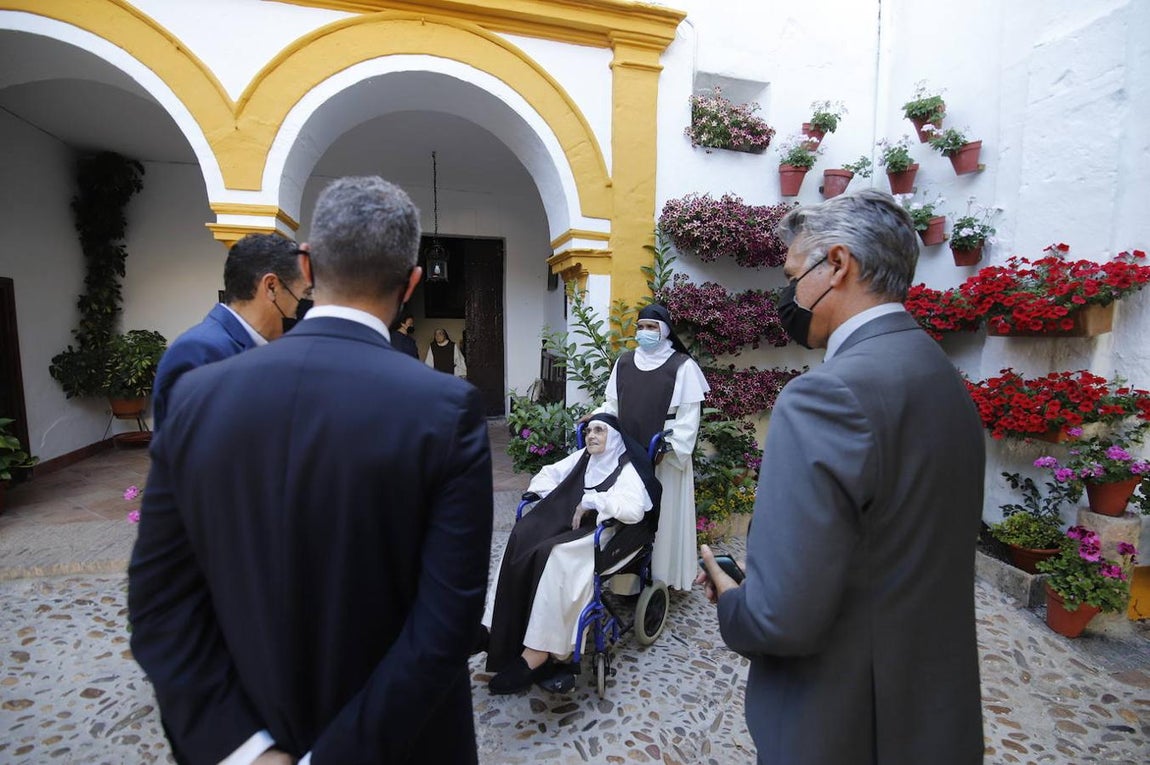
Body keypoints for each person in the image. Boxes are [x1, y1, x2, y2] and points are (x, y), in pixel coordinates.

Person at [128, 176, 493, 765]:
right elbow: (447, 623)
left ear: (307, 263)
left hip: (248, 718)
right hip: (401, 745)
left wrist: (244, 749)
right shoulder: (443, 409)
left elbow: (159, 603)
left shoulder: (198, 395)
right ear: (412, 282)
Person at [698, 189, 985, 764]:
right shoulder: (942, 374)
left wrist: (732, 598)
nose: (789, 294)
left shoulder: (827, 395)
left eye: (792, 273)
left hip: (841, 722)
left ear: (837, 264)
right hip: (930, 714)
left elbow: (779, 619)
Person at [482, 413, 660, 694]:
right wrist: (544, 495)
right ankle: (495, 626)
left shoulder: (626, 469)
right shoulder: (583, 458)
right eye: (589, 431)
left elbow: (634, 509)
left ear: (613, 437)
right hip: (572, 523)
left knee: (555, 556)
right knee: (520, 537)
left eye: (599, 430)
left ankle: (539, 651)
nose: (591, 435)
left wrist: (591, 501)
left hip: (606, 532)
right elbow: (550, 474)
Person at [595, 304, 709, 591]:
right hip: (627, 454)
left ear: (665, 330)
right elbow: (611, 405)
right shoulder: (624, 362)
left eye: (652, 327)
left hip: (663, 458)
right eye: (641, 326)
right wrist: (599, 423)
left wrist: (670, 447)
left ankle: (662, 577)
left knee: (664, 515)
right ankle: (625, 582)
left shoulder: (682, 366)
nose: (645, 332)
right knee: (627, 511)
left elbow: (688, 417)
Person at [150, 233, 311, 430]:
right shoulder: (199, 352)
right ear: (271, 287)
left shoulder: (259, 349)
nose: (300, 310)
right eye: (303, 295)